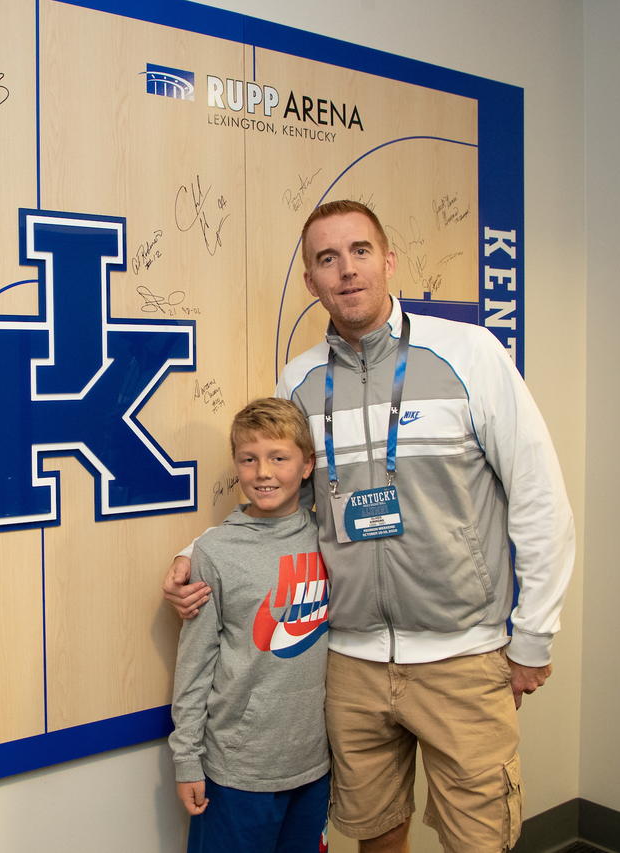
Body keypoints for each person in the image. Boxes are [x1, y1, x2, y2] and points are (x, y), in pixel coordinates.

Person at [163, 200, 574, 853]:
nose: (346, 271)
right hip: (350, 658)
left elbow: (538, 495)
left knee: (480, 839)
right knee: (376, 837)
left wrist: (534, 634)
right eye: (327, 259)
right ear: (311, 280)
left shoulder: (469, 353)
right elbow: (280, 490)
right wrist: (195, 553)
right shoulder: (300, 381)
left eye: (359, 252)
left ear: (387, 261)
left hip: (461, 653)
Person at [170, 397, 330, 853]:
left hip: (313, 766)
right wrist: (187, 761)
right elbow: (195, 665)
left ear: (306, 466)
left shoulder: (329, 539)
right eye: (249, 459)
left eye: (279, 458)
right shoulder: (216, 553)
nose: (263, 472)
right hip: (238, 769)